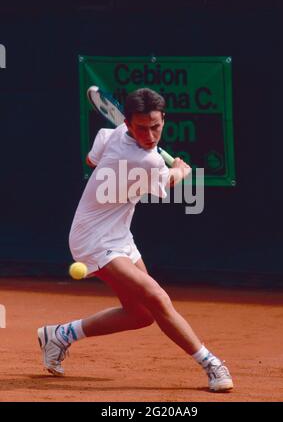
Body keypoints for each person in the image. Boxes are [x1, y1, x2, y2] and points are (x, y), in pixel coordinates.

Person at [37, 88, 233, 392]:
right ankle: (212, 364)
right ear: (127, 123)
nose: (150, 135)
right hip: (93, 238)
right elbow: (166, 182)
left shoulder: (109, 133)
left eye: (155, 126)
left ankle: (60, 335)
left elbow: (92, 162)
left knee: (140, 315)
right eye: (141, 128)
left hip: (118, 233)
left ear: (163, 119)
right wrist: (179, 171)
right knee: (157, 298)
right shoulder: (150, 162)